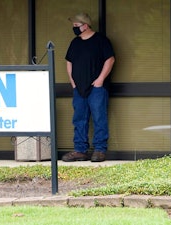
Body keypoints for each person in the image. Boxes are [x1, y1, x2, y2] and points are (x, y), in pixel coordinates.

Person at [63, 12, 115, 162]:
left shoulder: (101, 40)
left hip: (97, 88)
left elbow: (110, 60)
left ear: (85, 26)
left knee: (99, 117)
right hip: (79, 88)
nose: (74, 28)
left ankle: (100, 150)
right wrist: (72, 82)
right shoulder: (75, 42)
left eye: (76, 26)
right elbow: (69, 62)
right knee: (79, 118)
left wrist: (100, 80)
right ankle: (80, 150)